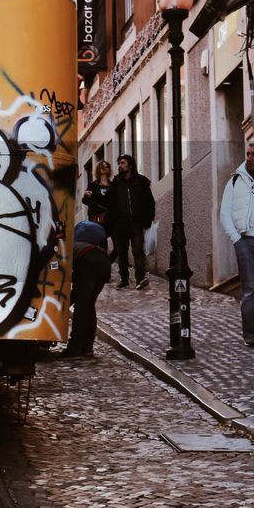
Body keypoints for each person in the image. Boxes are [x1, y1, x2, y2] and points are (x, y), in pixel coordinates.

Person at [220, 140, 254, 348]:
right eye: (248, 154)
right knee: (251, 288)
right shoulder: (236, 180)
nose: (249, 158)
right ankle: (252, 334)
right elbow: (225, 212)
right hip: (247, 242)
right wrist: (236, 240)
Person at [54, 218, 111, 357]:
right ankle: (87, 347)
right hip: (104, 263)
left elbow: (57, 267)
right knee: (88, 306)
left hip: (88, 265)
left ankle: (75, 347)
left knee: (81, 308)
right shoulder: (94, 246)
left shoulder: (69, 245)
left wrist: (63, 303)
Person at [107, 153, 155, 290]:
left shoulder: (141, 181)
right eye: (119, 164)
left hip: (136, 223)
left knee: (138, 250)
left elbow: (150, 202)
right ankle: (124, 279)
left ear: (130, 164)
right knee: (122, 253)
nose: (120, 166)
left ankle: (140, 278)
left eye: (122, 163)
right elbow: (110, 204)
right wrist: (113, 222)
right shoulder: (116, 182)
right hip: (120, 224)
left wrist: (148, 219)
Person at [81, 159, 113, 225]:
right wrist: (89, 196)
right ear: (98, 169)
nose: (104, 168)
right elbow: (84, 200)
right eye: (102, 166)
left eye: (106, 166)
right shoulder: (93, 185)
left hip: (111, 218)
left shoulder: (113, 185)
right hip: (97, 218)